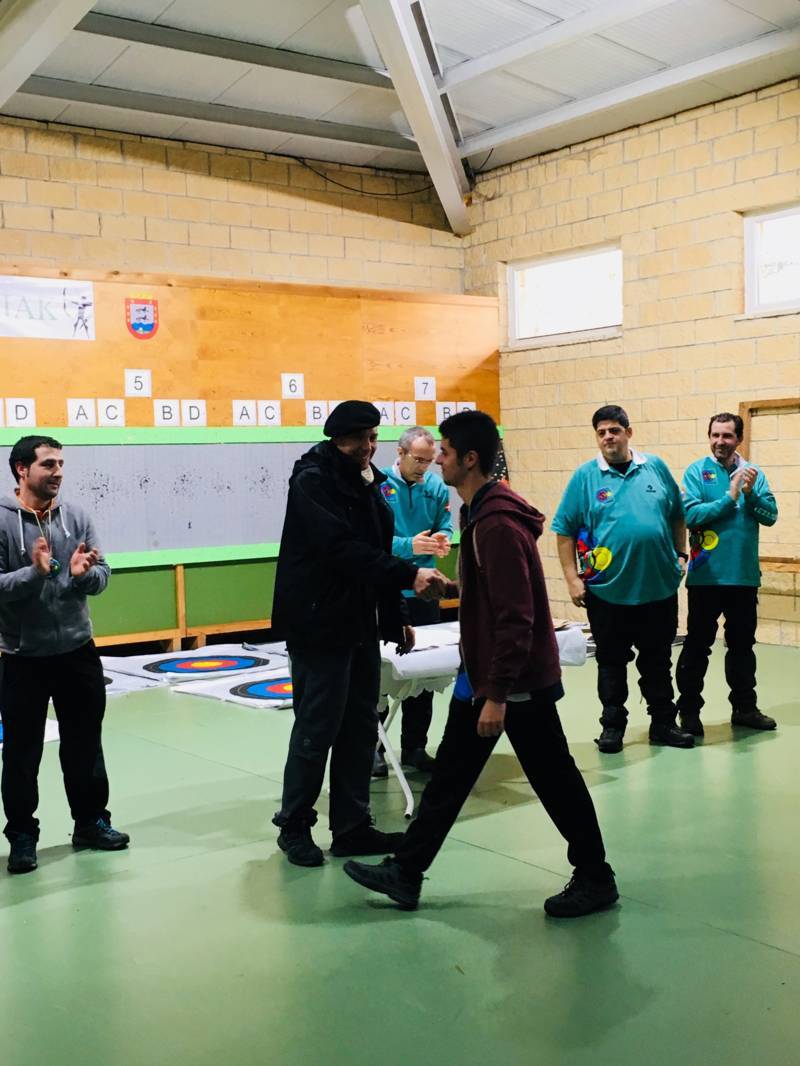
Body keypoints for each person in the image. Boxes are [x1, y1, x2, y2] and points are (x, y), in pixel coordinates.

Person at [343, 410, 617, 918]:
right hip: (485, 676)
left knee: (554, 778)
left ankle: (596, 876)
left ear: (469, 459)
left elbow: (517, 616)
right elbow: (495, 594)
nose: (437, 461)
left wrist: (497, 694)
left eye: (445, 453)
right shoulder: (479, 513)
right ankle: (406, 872)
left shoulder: (496, 524)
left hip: (512, 684)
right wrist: (453, 588)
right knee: (450, 778)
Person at [271, 401, 447, 867]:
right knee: (316, 729)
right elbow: (340, 549)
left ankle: (351, 827)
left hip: (360, 625)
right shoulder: (313, 481)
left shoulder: (368, 481)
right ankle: (294, 826)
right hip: (318, 625)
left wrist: (395, 615)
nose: (369, 446)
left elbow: (375, 549)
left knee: (359, 727)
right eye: (360, 439)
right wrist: (409, 575)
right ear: (338, 439)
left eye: (373, 437)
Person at [0, 435, 129, 875]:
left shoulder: (76, 516)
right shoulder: (3, 521)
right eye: (48, 464)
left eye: (60, 463)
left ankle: (90, 823)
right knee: (22, 754)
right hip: (22, 657)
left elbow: (103, 573)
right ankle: (22, 836)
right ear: (22, 469)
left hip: (77, 652)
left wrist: (83, 576)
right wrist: (33, 574)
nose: (58, 472)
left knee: (85, 744)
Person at [552, 405, 693, 754]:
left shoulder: (655, 467)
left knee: (657, 660)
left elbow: (677, 515)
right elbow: (564, 530)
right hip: (608, 591)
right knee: (612, 663)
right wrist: (572, 579)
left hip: (657, 587)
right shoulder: (585, 477)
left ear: (629, 433)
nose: (608, 437)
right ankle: (613, 726)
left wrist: (681, 554)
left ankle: (663, 723)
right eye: (601, 432)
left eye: (614, 430)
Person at [675, 413, 778, 735]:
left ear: (739, 439)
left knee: (742, 648)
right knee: (697, 646)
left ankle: (745, 709)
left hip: (743, 578)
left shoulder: (754, 474)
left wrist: (749, 494)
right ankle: (689, 712)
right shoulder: (696, 472)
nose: (720, 442)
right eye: (715, 435)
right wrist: (729, 496)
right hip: (706, 578)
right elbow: (691, 516)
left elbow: (770, 516)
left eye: (727, 436)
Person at [373, 426, 453, 778]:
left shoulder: (435, 486)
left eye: (429, 461)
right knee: (379, 674)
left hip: (425, 592)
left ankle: (415, 747)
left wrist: (442, 539)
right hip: (388, 590)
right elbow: (371, 542)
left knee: (425, 673)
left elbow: (445, 525)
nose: (424, 467)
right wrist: (409, 545)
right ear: (401, 453)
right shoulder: (378, 486)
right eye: (418, 459)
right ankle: (373, 749)